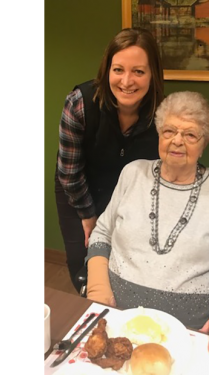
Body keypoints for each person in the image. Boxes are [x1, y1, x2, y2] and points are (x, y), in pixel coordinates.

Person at [86, 91, 209, 362]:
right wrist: (97, 285)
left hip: (193, 332)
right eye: (169, 131)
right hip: (117, 321)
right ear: (159, 134)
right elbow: (102, 232)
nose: (177, 140)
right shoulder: (133, 173)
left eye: (190, 135)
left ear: (204, 143)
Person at [54, 28, 164, 293]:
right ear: (107, 71)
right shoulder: (79, 103)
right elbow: (69, 174)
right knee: (84, 266)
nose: (127, 81)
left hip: (128, 198)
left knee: (126, 266)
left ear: (152, 75)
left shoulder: (163, 114)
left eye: (138, 71)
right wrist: (89, 216)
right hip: (78, 191)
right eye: (118, 70)